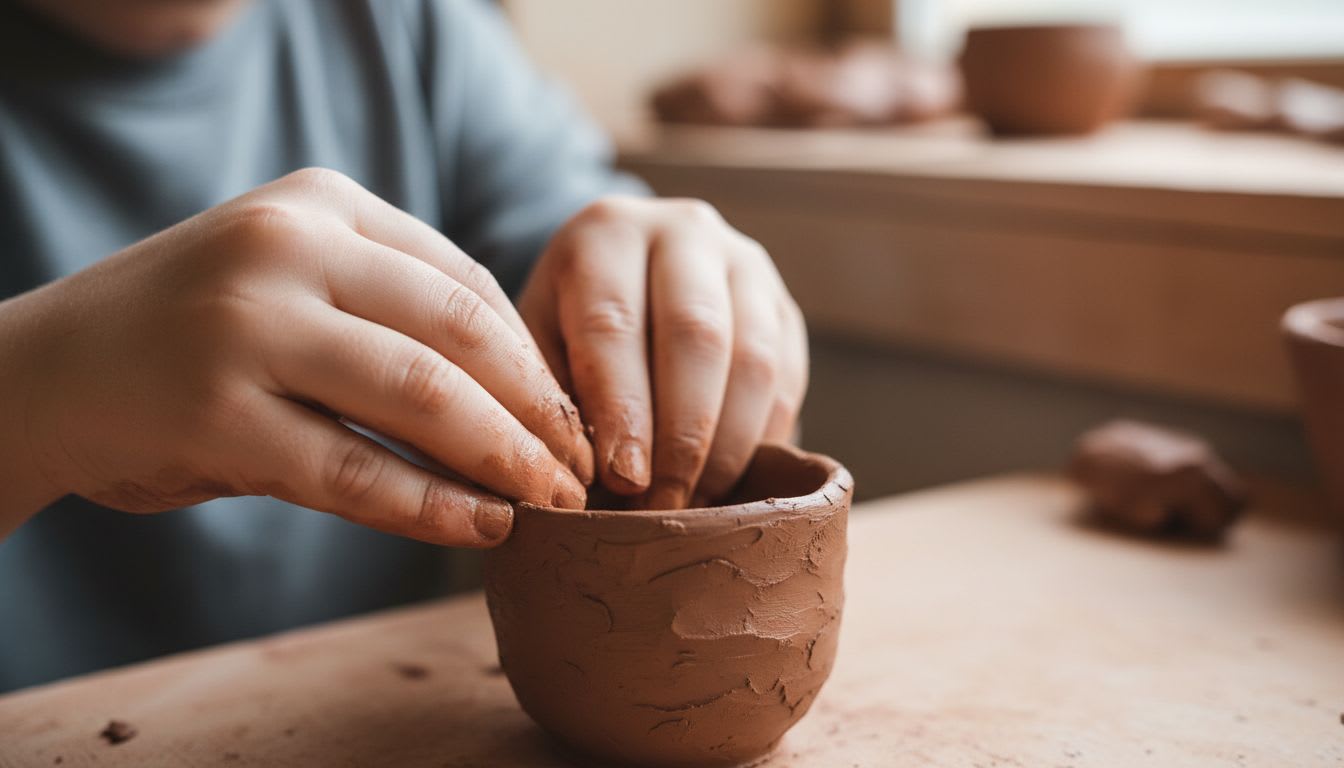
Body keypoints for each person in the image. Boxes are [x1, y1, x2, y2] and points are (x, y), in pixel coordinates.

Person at [0, 0, 809, 691]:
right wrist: (30, 391)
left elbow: (585, 263)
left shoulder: (410, 28)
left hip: (373, 717)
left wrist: (691, 299)